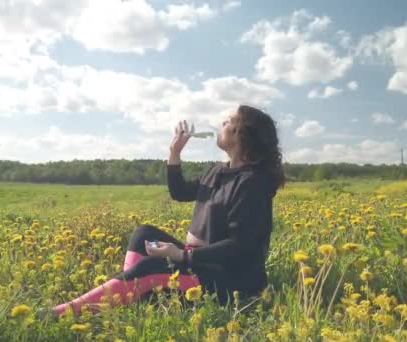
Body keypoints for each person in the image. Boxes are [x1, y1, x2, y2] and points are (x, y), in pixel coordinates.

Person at [48, 104, 285, 316]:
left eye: (229, 121)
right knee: (143, 234)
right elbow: (180, 192)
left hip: (230, 279)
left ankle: (61, 314)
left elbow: (241, 246)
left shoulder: (253, 184)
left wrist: (183, 256)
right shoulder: (218, 171)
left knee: (151, 267)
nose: (221, 124)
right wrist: (174, 153)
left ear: (242, 135)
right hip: (198, 260)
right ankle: (134, 292)